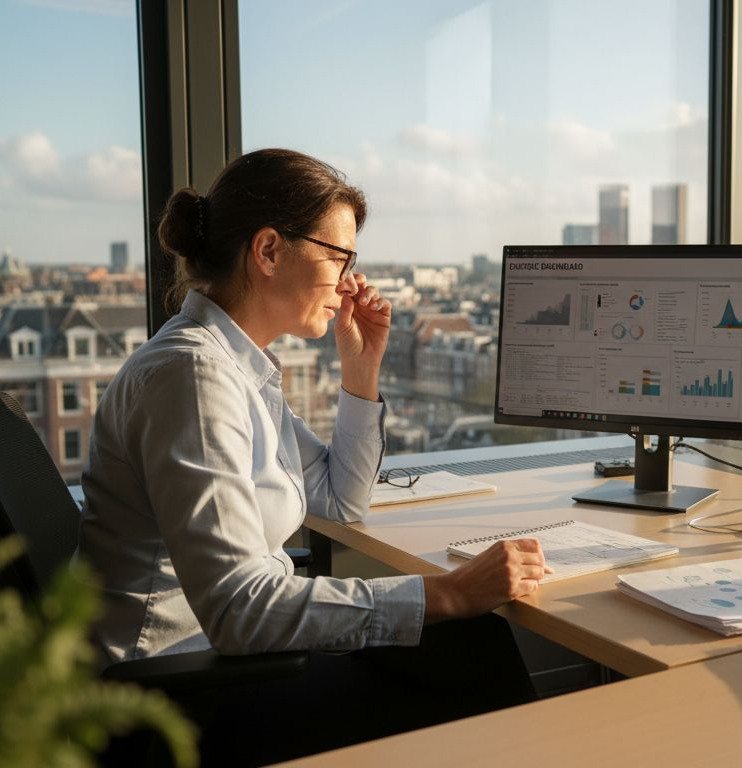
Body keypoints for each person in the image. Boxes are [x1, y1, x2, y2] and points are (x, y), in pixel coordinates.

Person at [77, 148, 545, 763]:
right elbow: (241, 611)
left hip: (210, 668)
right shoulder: (193, 378)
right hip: (172, 701)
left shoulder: (233, 367)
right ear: (269, 251)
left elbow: (340, 500)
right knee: (469, 650)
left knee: (465, 646)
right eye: (339, 256)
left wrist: (360, 368)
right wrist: (449, 592)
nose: (350, 282)